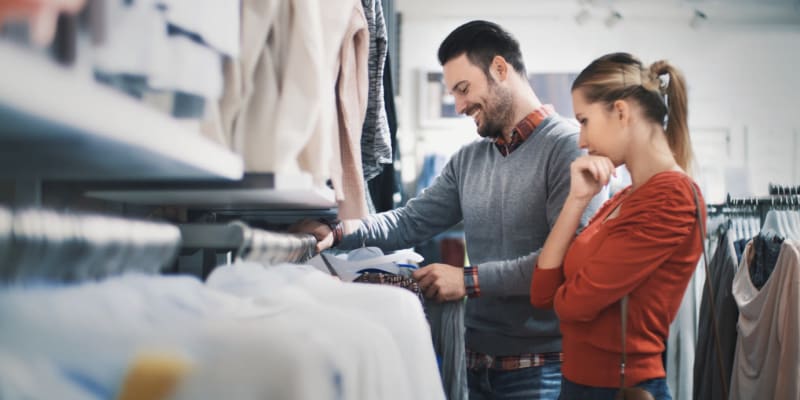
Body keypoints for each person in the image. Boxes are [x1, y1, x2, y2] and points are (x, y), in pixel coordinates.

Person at [293, 20, 602, 399]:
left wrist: (467, 280)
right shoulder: (469, 160)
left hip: (541, 370)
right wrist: (340, 232)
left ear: (500, 70)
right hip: (475, 364)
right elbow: (410, 221)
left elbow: (566, 264)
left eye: (463, 89)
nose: (458, 106)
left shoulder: (568, 148)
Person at [529, 52, 706, 400]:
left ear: (621, 112)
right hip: (582, 385)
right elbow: (543, 294)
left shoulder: (672, 197)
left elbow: (572, 304)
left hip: (622, 389)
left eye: (584, 121)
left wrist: (569, 292)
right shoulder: (625, 197)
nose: (581, 140)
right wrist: (576, 200)